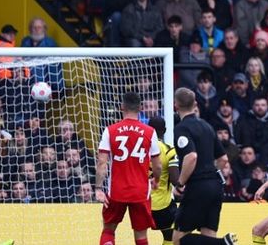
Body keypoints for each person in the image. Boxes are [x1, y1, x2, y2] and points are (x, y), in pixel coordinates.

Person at [95, 92, 162, 245]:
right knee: (141, 236)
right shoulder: (149, 132)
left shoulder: (110, 130)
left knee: (108, 230)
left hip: (116, 191)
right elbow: (158, 165)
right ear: (140, 108)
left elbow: (102, 163)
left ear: (122, 107)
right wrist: (156, 180)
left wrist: (98, 188)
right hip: (140, 191)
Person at [172, 87, 237, 245]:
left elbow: (191, 157)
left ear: (175, 105)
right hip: (215, 185)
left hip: (198, 186)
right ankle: (220, 243)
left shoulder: (182, 128)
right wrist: (212, 174)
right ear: (195, 104)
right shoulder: (207, 126)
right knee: (208, 235)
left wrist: (180, 183)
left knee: (178, 240)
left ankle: (222, 244)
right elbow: (223, 159)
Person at [148, 117, 179, 245]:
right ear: (165, 130)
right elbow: (175, 179)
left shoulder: (140, 149)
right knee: (171, 235)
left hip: (141, 201)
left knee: (140, 234)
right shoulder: (169, 150)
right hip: (162, 205)